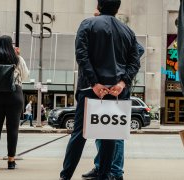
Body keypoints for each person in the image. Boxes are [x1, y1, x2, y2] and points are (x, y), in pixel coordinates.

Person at [59, 0, 140, 180]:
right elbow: (135, 61)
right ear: (118, 8)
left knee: (79, 134)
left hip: (91, 89)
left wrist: (94, 83)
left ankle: (65, 176)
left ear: (99, 5)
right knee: (110, 134)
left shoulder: (87, 24)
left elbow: (81, 54)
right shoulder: (128, 31)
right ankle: (103, 174)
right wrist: (122, 83)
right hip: (116, 91)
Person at [0, 35, 29, 169]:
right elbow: (25, 76)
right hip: (14, 95)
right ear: (10, 45)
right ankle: (11, 161)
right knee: (13, 129)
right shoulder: (17, 58)